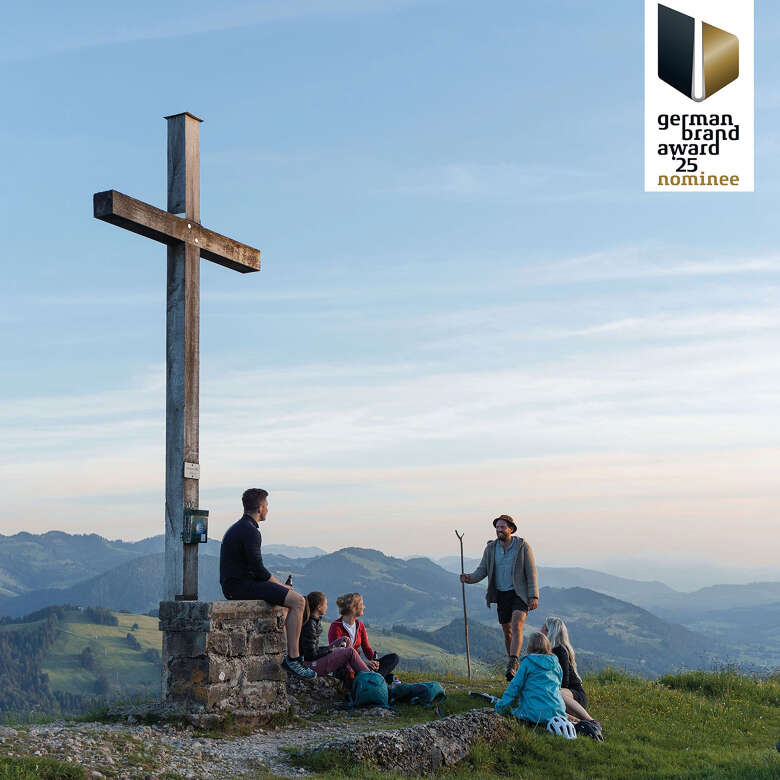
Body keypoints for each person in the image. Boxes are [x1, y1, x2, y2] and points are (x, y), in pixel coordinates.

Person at [219, 488, 315, 680]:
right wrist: (281, 587)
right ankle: (294, 659)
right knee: (298, 602)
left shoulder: (238, 528)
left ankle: (292, 654)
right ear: (261, 508)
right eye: (267, 506)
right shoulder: (251, 531)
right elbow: (259, 570)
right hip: (241, 587)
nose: (268, 510)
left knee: (287, 602)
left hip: (234, 586)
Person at [460, 514, 539, 680]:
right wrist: (469, 578)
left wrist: (533, 596)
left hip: (519, 593)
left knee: (517, 624)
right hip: (501, 594)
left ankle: (513, 662)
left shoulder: (522, 547)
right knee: (507, 631)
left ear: (511, 529)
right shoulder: (490, 549)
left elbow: (531, 572)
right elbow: (482, 570)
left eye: (502, 527)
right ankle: (513, 662)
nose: (499, 530)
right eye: (497, 527)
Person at [494, 631, 566, 725]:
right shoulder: (556, 664)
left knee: (514, 712)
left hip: (534, 714)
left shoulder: (528, 662)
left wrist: (500, 707)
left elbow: (515, 686)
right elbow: (558, 686)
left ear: (530, 646)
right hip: (558, 713)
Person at [328, 592, 399, 683]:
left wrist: (374, 661)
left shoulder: (359, 625)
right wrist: (363, 662)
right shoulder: (336, 627)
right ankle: (376, 680)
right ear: (353, 607)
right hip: (347, 666)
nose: (364, 607)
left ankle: (373, 678)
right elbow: (338, 654)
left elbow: (367, 648)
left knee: (394, 658)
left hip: (361, 666)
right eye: (361, 604)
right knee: (388, 676)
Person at [542, 616, 599, 724]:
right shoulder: (548, 650)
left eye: (543, 627)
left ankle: (591, 721)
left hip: (573, 694)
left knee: (557, 693)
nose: (541, 629)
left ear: (549, 631)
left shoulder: (559, 650)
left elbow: (564, 682)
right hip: (561, 694)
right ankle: (577, 722)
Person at [300, 591, 371, 678]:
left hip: (313, 661)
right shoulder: (310, 625)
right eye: (325, 604)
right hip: (311, 665)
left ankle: (360, 674)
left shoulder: (314, 621)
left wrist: (330, 649)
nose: (327, 607)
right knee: (350, 651)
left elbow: (314, 650)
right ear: (319, 607)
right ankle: (370, 678)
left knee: (345, 640)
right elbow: (311, 655)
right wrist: (330, 650)